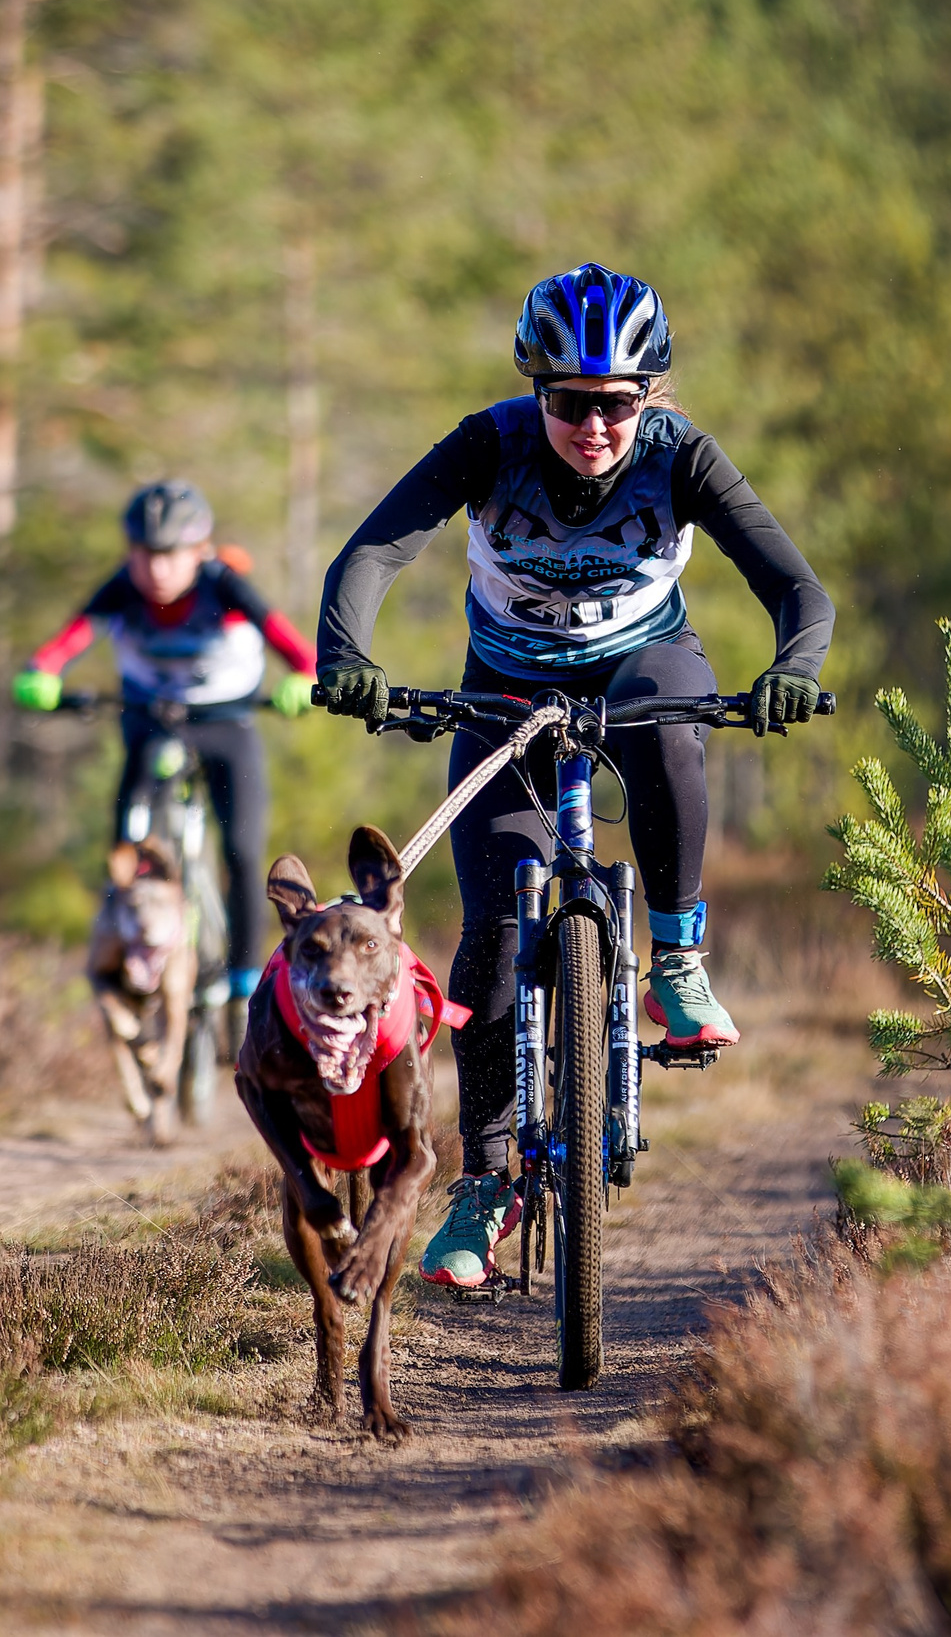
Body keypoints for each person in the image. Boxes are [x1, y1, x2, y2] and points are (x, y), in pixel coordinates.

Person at [314, 263, 834, 1289]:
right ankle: (489, 1179)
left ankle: (677, 962)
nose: (595, 426)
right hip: (502, 687)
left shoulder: (680, 455)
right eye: (569, 403)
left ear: (649, 398)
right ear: (534, 390)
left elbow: (795, 586)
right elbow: (371, 552)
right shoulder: (488, 443)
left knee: (668, 729)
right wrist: (348, 657)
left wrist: (793, 670)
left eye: (617, 405)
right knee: (495, 933)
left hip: (645, 663)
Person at [13, 479, 318, 1001]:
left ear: (198, 552)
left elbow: (296, 648)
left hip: (227, 716)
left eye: (171, 556)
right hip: (150, 717)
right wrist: (40, 674)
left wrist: (304, 680)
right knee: (125, 845)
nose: (156, 570)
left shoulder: (225, 585)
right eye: (144, 555)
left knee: (243, 848)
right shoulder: (120, 589)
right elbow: (67, 642)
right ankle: (126, 949)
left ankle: (246, 982)